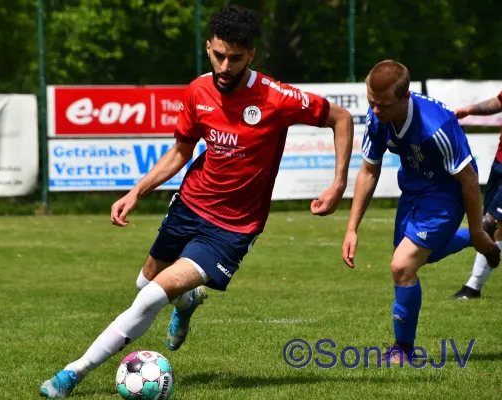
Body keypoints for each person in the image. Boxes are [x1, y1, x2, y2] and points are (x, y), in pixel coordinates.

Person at [39, 5, 354, 398]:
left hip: (232, 227)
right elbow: (179, 152)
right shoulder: (198, 91)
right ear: (208, 48)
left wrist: (338, 183)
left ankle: (73, 373)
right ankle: (187, 302)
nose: (225, 66)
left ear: (250, 56)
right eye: (219, 55)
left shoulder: (276, 97)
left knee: (150, 296)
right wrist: (136, 191)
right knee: (145, 280)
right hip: (188, 206)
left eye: (235, 59)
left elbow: (341, 118)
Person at [341, 60, 500, 364]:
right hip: (413, 191)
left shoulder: (436, 125)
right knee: (419, 257)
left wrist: (477, 228)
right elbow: (368, 171)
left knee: (402, 267)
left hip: (445, 195)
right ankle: (471, 237)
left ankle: (403, 349)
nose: (376, 111)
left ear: (405, 97)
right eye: (371, 103)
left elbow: (467, 178)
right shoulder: (377, 119)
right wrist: (351, 228)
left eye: (383, 105)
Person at [451, 91, 502, 299]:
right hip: (499, 163)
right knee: (494, 230)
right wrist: (469, 110)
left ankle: (472, 286)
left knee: (488, 224)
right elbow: (499, 102)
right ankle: (473, 288)